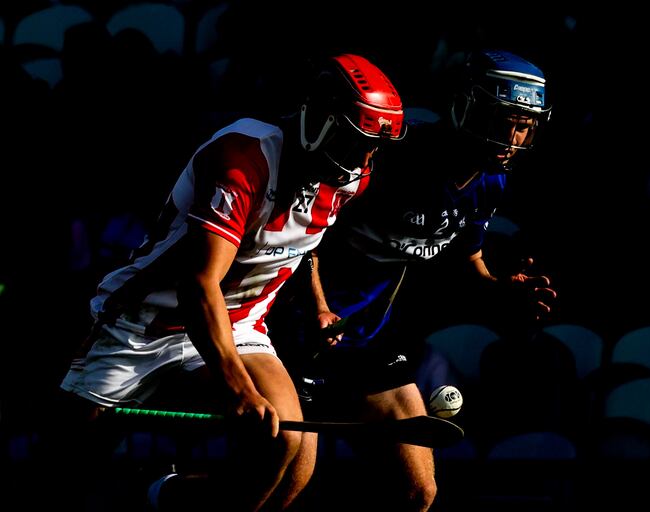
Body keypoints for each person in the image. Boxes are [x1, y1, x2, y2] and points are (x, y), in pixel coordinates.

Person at [47, 53, 404, 511]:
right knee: (68, 468)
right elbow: (200, 284)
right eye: (356, 142)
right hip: (142, 322)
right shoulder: (244, 155)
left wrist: (318, 304)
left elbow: (305, 242)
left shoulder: (349, 177)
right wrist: (239, 388)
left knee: (286, 444)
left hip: (239, 324)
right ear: (320, 121)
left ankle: (167, 495)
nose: (365, 159)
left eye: (373, 147)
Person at [273, 49, 558, 511]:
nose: (512, 138)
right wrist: (318, 305)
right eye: (503, 120)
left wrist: (500, 290)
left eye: (524, 125)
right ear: (465, 107)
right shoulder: (390, 155)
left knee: (417, 493)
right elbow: (305, 233)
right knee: (285, 486)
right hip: (295, 332)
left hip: (370, 342)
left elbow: (470, 258)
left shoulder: (491, 182)